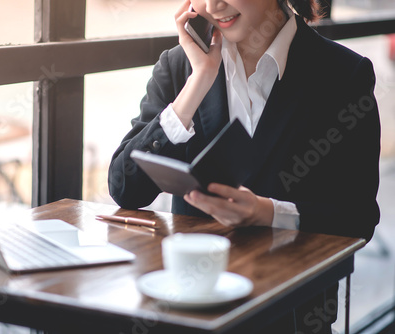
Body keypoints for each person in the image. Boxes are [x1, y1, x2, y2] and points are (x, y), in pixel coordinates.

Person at [108, 0, 380, 332]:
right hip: (191, 309)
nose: (213, 5)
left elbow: (358, 217)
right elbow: (125, 187)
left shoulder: (342, 74)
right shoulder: (182, 66)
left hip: (291, 313)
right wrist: (199, 81)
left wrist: (268, 213)